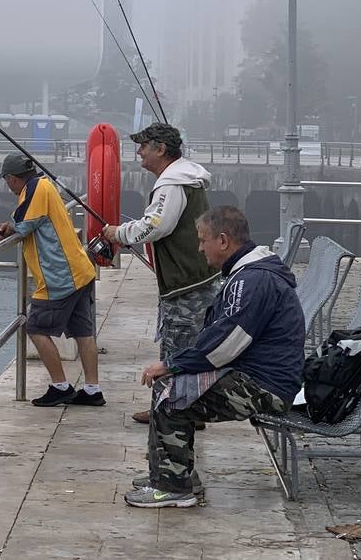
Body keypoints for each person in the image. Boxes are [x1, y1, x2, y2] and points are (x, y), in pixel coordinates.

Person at [124, 206, 304, 508]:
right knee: (170, 387)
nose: (199, 247)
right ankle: (171, 474)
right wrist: (178, 365)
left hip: (266, 386)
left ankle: (174, 489)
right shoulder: (248, 274)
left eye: (202, 240)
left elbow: (226, 345)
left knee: (172, 397)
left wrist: (172, 363)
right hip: (256, 375)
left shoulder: (253, 281)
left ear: (223, 241)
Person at [101, 122, 221, 425]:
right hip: (196, 276)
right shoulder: (184, 178)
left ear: (161, 149)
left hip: (186, 283)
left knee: (177, 347)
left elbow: (155, 225)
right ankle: (184, 408)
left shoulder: (172, 183)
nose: (139, 152)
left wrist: (119, 232)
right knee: (189, 346)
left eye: (144, 146)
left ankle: (171, 413)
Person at [0, 153, 105, 407]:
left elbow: (23, 224)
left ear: (12, 178)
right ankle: (92, 390)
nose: (8, 186)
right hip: (79, 270)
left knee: (35, 328)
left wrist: (7, 228)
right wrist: (10, 224)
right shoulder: (40, 186)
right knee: (82, 331)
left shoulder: (36, 189)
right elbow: (24, 216)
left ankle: (60, 386)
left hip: (60, 276)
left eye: (7, 181)